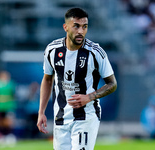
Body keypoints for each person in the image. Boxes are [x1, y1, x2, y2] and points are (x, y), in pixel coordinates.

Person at [37, 8, 117, 150]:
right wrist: (41, 112)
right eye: (76, 26)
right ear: (65, 27)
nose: (81, 31)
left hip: (86, 117)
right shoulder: (52, 50)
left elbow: (112, 84)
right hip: (60, 116)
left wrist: (89, 97)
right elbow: (47, 79)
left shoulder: (95, 52)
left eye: (84, 27)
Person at [0, 70, 16, 135]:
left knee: (8, 121)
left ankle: (8, 135)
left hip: (9, 106)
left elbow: (13, 95)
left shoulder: (11, 84)